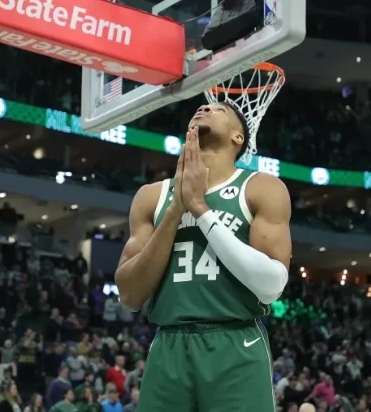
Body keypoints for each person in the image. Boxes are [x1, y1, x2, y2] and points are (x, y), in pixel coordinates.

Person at [116, 104, 291, 412]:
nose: (206, 106)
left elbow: (271, 286)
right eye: (202, 106)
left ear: (239, 137)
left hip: (236, 341)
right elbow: (129, 295)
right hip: (169, 342)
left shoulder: (261, 188)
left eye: (220, 108)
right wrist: (175, 212)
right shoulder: (151, 196)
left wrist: (201, 209)